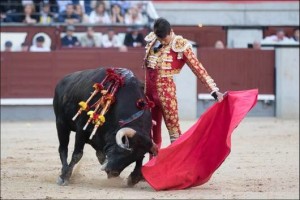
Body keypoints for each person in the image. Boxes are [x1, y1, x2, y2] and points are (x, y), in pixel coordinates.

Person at [143, 18, 224, 146]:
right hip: (149, 95)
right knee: (152, 132)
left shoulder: (180, 45)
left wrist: (214, 91)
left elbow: (198, 68)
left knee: (174, 133)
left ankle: (177, 165)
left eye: (164, 39)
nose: (162, 41)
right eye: (160, 39)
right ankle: (153, 163)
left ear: (170, 32)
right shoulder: (154, 39)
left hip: (166, 95)